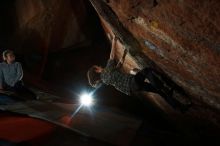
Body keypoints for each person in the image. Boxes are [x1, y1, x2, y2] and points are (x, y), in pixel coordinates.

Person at [87, 35, 190, 112]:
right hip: (131, 83)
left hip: (132, 88)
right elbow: (112, 57)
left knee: (159, 91)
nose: (100, 66)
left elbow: (119, 66)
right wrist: (114, 40)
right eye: (98, 66)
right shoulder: (105, 73)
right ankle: (164, 88)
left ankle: (180, 108)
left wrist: (124, 54)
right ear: (97, 70)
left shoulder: (106, 77)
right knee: (147, 71)